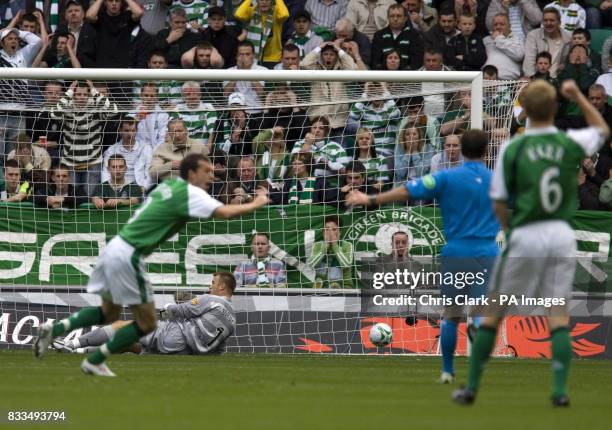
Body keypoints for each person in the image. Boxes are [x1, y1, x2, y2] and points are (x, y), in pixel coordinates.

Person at [33, 153, 269, 376]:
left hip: (115, 248)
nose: (211, 176)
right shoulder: (190, 193)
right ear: (192, 173)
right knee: (146, 322)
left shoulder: (168, 187)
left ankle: (56, 332)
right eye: (206, 171)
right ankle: (93, 360)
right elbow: (226, 213)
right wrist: (257, 202)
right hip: (129, 254)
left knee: (109, 312)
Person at [452, 80, 610, 406]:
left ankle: (471, 387)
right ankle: (559, 391)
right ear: (554, 109)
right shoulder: (568, 142)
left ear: (525, 112)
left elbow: (498, 202)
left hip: (525, 232)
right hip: (561, 234)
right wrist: (577, 95)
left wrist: (511, 230)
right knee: (558, 315)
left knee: (494, 310)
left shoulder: (514, 148)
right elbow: (602, 129)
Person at [346, 129, 501, 384]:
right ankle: (480, 328)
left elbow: (409, 190)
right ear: (486, 151)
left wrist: (372, 199)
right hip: (487, 250)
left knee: (451, 313)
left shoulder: (447, 177)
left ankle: (448, 370)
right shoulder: (497, 181)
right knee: (481, 307)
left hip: (458, 250)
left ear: (462, 150)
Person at [53, 272, 237, 355]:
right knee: (128, 345)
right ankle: (78, 352)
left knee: (121, 327)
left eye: (213, 283)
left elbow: (178, 310)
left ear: (221, 286)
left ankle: (71, 343)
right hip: (185, 352)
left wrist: (164, 310)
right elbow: (218, 349)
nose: (209, 286)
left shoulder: (210, 299)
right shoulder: (232, 319)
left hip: (175, 335)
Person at [50, 80, 119, 197]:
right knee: (72, 200)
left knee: (90, 199)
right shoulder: (67, 107)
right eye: (78, 94)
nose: (82, 97)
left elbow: (114, 111)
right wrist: (68, 93)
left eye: (85, 94)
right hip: (70, 162)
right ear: (73, 95)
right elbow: (54, 114)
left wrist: (94, 91)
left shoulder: (95, 106)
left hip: (93, 162)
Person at [149, 118, 209, 183]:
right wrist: (170, 165)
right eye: (173, 132)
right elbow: (152, 173)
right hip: (171, 188)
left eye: (180, 131)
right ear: (169, 133)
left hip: (195, 187)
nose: (177, 135)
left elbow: (209, 170)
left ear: (186, 131)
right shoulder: (162, 148)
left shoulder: (200, 147)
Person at [234, 0, 289, 67]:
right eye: (261, 0)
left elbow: (285, 15)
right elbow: (238, 14)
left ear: (272, 1)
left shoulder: (276, 11)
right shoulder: (252, 11)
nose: (264, 2)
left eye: (267, 0)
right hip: (254, 57)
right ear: (257, 1)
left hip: (273, 58)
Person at [370, 3, 424, 70]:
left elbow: (416, 62)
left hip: (407, 78)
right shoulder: (379, 35)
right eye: (392, 16)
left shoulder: (414, 35)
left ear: (405, 18)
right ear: (388, 18)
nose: (395, 19)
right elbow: (375, 62)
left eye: (399, 16)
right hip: (383, 77)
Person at [522, 7, 572, 79]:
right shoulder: (533, 35)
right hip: (537, 78)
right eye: (545, 20)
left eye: (552, 20)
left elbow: (569, 62)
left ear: (559, 22)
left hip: (558, 79)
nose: (548, 23)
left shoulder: (568, 38)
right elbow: (529, 62)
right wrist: (532, 79)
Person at [307, 215, 354, 289]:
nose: (330, 232)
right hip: (320, 286)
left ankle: (335, 285)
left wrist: (335, 245)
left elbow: (346, 264)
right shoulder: (317, 245)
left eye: (334, 229)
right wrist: (325, 248)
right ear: (323, 232)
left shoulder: (347, 245)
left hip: (344, 287)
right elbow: (311, 265)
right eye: (327, 229)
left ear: (340, 232)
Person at [483, 13, 524, 80]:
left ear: (509, 26)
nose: (498, 27)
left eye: (502, 24)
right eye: (495, 25)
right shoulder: (486, 40)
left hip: (508, 81)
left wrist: (498, 39)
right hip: (486, 80)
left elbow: (519, 55)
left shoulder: (517, 39)